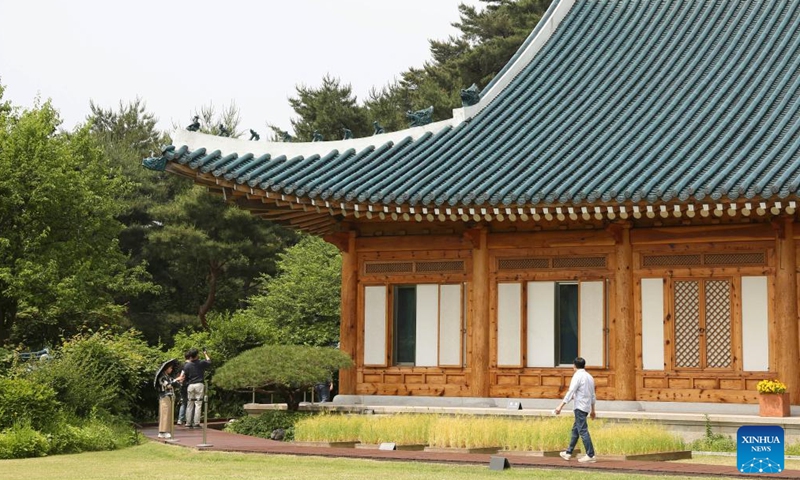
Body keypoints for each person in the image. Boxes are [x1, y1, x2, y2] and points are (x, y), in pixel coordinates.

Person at [554, 357, 597, 463]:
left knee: (582, 430)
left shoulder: (577, 376)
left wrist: (560, 406)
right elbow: (593, 395)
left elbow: (571, 391)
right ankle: (568, 453)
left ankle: (590, 455)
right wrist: (592, 410)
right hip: (586, 407)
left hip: (579, 407)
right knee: (576, 430)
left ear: (574, 365)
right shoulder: (590, 377)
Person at [176, 347, 211, 429]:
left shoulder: (187, 365)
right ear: (197, 355)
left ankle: (188, 422)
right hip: (199, 384)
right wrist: (205, 353)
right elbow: (209, 361)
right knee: (198, 404)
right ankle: (196, 422)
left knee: (189, 404)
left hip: (190, 385)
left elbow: (184, 376)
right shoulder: (201, 363)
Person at [156, 361, 180, 439]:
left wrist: (177, 381)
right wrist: (175, 380)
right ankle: (162, 431)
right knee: (165, 413)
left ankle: (167, 430)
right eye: (170, 368)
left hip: (170, 397)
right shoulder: (162, 377)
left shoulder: (169, 376)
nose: (171, 369)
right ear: (166, 368)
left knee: (169, 413)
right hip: (164, 396)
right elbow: (168, 385)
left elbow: (175, 384)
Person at [176, 352, 191, 426]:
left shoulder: (182, 365)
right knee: (189, 403)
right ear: (190, 357)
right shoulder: (189, 366)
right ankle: (187, 420)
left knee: (184, 403)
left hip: (182, 386)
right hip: (188, 385)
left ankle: (180, 419)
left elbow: (178, 375)